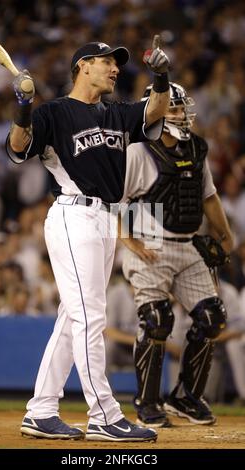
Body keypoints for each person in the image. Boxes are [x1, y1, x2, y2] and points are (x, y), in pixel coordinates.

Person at [6, 37, 170, 441]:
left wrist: (162, 77)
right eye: (106, 62)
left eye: (117, 63)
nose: (115, 69)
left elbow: (153, 110)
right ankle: (105, 415)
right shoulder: (55, 112)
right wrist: (23, 107)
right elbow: (17, 146)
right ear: (83, 66)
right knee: (89, 316)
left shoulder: (115, 112)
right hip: (73, 215)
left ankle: (41, 410)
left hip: (105, 219)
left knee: (72, 318)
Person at [120, 82, 234, 427]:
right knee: (156, 319)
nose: (179, 115)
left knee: (212, 317)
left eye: (181, 109)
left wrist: (225, 236)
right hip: (149, 238)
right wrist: (128, 239)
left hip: (188, 241)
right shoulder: (138, 150)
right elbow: (118, 198)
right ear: (153, 112)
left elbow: (208, 196)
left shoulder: (197, 148)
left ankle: (186, 398)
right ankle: (147, 402)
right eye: (172, 109)